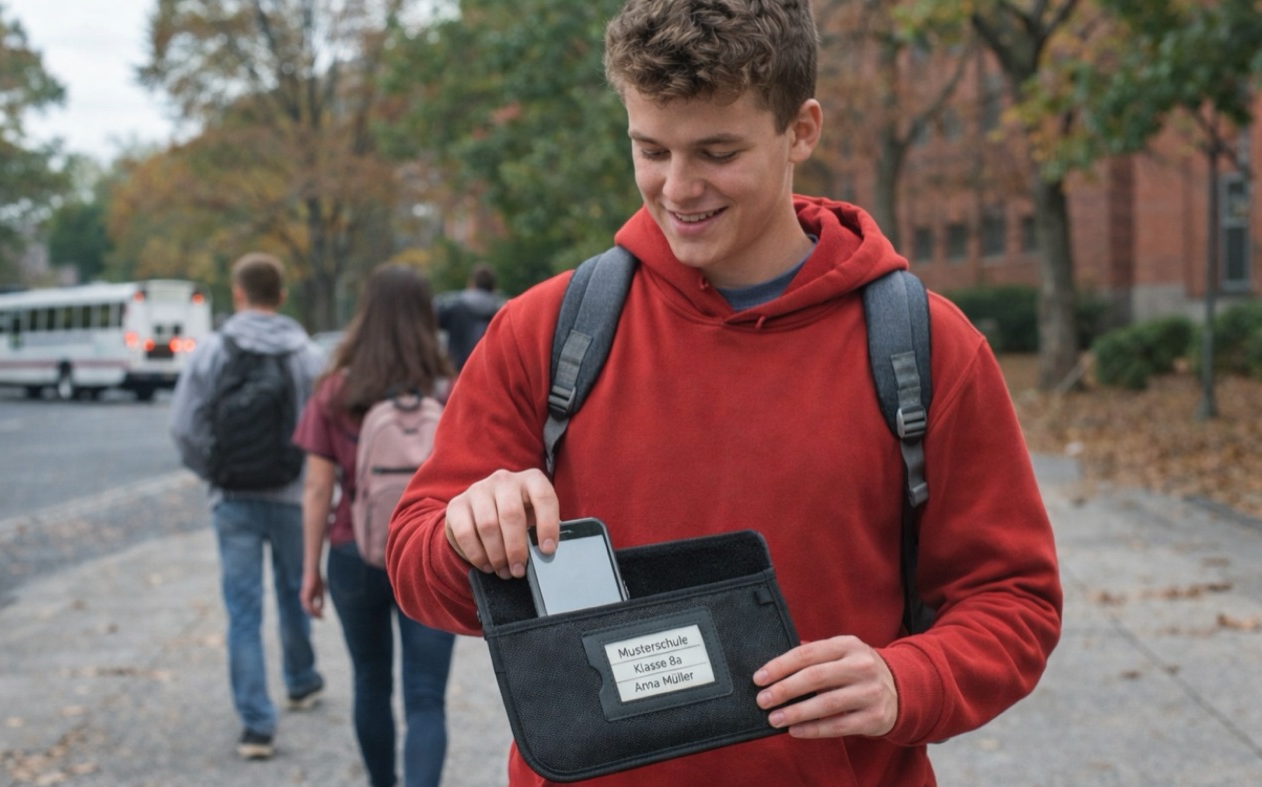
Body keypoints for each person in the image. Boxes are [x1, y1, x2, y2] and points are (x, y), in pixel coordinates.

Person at [385, 1, 1063, 785]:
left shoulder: (926, 345)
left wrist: (909, 679)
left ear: (801, 130)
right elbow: (414, 562)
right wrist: (463, 536)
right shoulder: (543, 332)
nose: (678, 187)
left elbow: (1013, 599)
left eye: (717, 151)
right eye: (650, 149)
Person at [295, 264, 457, 787]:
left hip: (353, 551)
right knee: (426, 696)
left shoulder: (336, 391)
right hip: (432, 554)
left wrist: (309, 570)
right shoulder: (448, 391)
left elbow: (318, 487)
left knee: (370, 683)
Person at [169, 252, 325, 761]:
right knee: (294, 588)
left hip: (232, 496)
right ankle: (301, 680)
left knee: (242, 609)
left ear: (238, 294)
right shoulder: (306, 354)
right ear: (281, 296)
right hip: (291, 494)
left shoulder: (212, 349)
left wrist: (212, 471)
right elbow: (322, 429)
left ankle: (257, 726)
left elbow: (184, 426)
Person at [435, 264, 506, 369]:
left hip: (459, 370)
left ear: (471, 284)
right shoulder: (501, 312)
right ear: (494, 287)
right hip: (488, 371)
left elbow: (432, 322)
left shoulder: (455, 307)